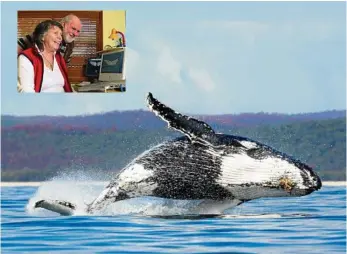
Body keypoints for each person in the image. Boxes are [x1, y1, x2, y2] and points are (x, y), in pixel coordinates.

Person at [17, 20, 73, 92]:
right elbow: (26, 91)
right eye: (55, 33)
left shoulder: (59, 58)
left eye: (61, 34)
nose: (60, 38)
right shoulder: (26, 58)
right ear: (42, 36)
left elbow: (66, 86)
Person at [17, 14, 82, 64]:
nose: (75, 34)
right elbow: (20, 44)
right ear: (64, 25)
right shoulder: (48, 31)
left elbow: (64, 67)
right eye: (73, 29)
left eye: (78, 31)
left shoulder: (70, 45)